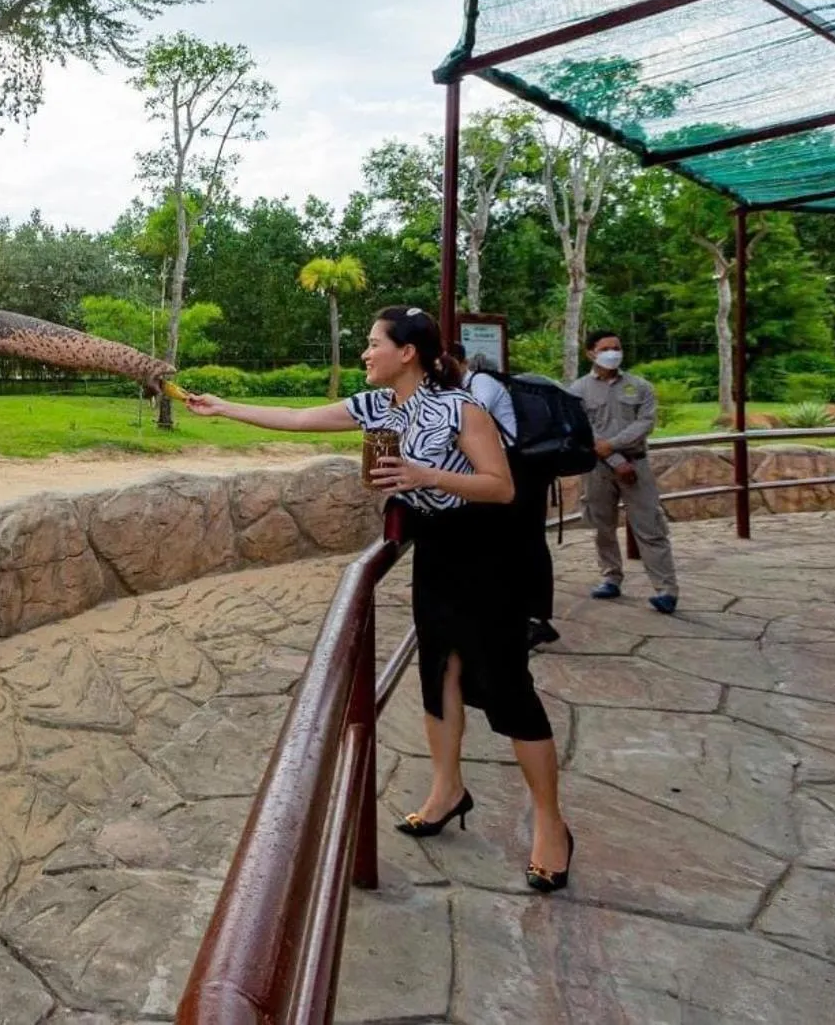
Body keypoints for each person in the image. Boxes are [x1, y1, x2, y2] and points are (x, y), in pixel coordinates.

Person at [182, 306, 574, 892]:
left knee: (508, 685)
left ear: (407, 352)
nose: (366, 353)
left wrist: (424, 476)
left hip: (488, 554)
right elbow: (298, 418)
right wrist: (223, 407)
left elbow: (501, 486)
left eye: (373, 344)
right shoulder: (377, 406)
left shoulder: (460, 407)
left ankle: (551, 824)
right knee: (438, 671)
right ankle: (447, 790)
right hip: (437, 553)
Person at [569, 331, 679, 613]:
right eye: (606, 348)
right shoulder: (578, 390)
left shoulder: (640, 386)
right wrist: (615, 460)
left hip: (636, 464)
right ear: (590, 353)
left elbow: (645, 423)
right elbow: (582, 430)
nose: (613, 353)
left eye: (617, 347)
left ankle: (666, 589)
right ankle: (611, 578)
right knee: (602, 526)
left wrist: (614, 447)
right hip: (598, 468)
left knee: (651, 527)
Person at [457, 348, 559, 649]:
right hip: (506, 467)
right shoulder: (462, 387)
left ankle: (538, 619)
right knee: (506, 542)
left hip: (522, 468)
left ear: (462, 362)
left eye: (442, 362)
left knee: (528, 541)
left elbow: (467, 418)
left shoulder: (482, 382)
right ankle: (513, 613)